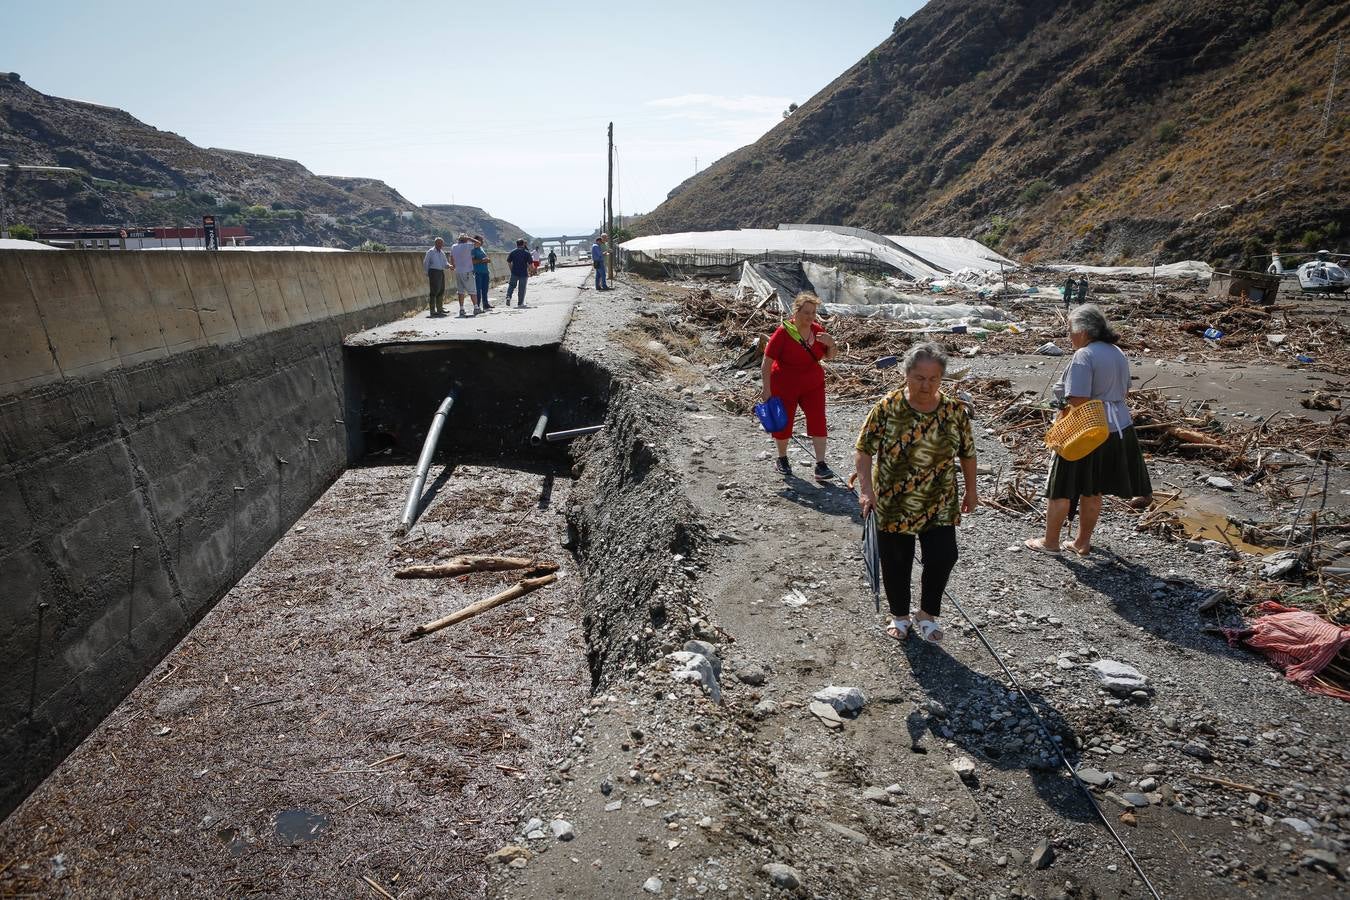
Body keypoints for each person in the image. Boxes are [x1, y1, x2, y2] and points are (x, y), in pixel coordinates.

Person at [855, 342, 977, 643]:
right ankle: (899, 615)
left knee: (944, 556)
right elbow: (863, 450)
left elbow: (968, 454)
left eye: (934, 378)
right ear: (906, 375)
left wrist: (972, 491)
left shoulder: (953, 411)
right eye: (920, 378)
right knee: (897, 559)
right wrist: (866, 491)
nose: (927, 385)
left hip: (939, 499)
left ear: (942, 379)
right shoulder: (888, 406)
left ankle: (926, 614)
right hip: (894, 499)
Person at [1026, 304, 1152, 556]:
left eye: (1071, 329)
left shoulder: (1084, 355)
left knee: (1060, 486)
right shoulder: (1116, 352)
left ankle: (1050, 542)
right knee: (1093, 488)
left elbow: (1078, 398)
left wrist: (1061, 408)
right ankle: (1082, 542)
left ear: (1083, 330)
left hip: (1088, 429)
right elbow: (1125, 391)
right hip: (1119, 427)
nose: (1069, 336)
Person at [760, 292, 837, 482]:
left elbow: (830, 356)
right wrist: (766, 388)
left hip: (813, 384)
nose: (810, 316)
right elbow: (766, 362)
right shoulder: (784, 332)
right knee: (784, 421)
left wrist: (832, 343)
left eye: (813, 313)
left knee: (818, 419)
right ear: (796, 311)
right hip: (785, 383)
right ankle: (782, 458)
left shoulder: (818, 331)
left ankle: (820, 464)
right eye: (806, 312)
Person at [449, 233, 476, 317]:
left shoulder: (454, 246)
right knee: (472, 290)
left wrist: (453, 265)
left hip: (458, 271)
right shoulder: (467, 246)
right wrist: (470, 238)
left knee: (460, 291)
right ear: (465, 239)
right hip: (467, 271)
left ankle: (461, 309)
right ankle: (476, 307)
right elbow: (479, 243)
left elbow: (451, 257)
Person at [423, 237, 449, 317]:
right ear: (435, 243)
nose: (440, 245)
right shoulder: (431, 252)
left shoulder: (442, 253)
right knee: (434, 292)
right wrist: (427, 272)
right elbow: (426, 262)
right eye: (439, 243)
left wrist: (449, 265)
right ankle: (432, 311)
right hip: (434, 272)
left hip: (440, 272)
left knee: (441, 290)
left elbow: (445, 263)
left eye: (441, 243)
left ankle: (440, 309)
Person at [505, 239, 532, 307]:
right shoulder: (526, 253)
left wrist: (511, 270)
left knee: (511, 285)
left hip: (514, 272)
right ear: (523, 244)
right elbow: (530, 264)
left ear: (516, 244)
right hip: (523, 273)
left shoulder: (512, 252)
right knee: (522, 288)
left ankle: (508, 296)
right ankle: (520, 303)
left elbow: (509, 262)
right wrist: (531, 271)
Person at [471, 234, 492, 311]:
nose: (482, 241)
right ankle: (478, 305)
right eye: (481, 240)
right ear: (476, 241)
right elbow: (472, 261)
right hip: (478, 272)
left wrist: (488, 260)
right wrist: (483, 260)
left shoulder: (481, 248)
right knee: (478, 290)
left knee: (485, 289)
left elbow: (486, 258)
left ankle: (485, 304)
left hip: (485, 272)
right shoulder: (473, 250)